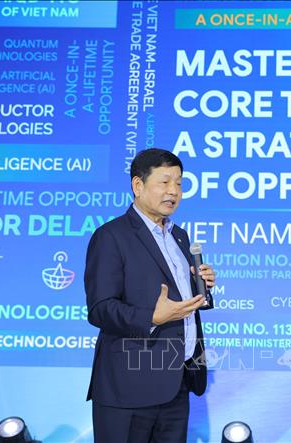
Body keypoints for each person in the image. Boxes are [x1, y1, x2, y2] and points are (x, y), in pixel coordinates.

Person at [84, 148, 215, 442]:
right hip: (128, 389)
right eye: (164, 182)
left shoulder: (179, 236)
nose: (174, 191)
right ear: (138, 185)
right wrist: (152, 318)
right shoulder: (111, 236)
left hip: (176, 383)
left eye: (179, 183)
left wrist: (201, 287)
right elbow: (100, 308)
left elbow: (178, 301)